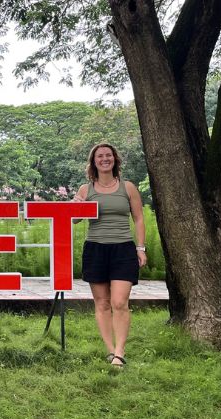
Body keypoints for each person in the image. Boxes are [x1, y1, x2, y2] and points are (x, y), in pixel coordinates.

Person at [73, 143, 147, 368]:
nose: (105, 159)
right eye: (100, 156)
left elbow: (139, 219)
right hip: (95, 249)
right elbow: (74, 220)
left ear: (115, 159)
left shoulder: (128, 187)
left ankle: (120, 352)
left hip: (123, 249)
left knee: (119, 302)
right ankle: (110, 350)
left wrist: (141, 248)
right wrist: (75, 206)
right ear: (93, 162)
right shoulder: (85, 189)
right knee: (103, 303)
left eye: (108, 155)